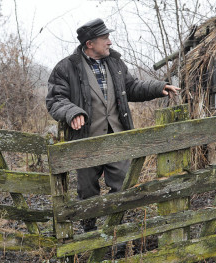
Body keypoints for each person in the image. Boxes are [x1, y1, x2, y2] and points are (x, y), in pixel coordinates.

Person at [46, 18, 179, 232]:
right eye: (105, 38)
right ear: (90, 44)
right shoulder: (66, 67)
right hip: (86, 141)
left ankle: (114, 230)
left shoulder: (115, 63)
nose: (109, 42)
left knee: (122, 186)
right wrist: (72, 112)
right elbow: (55, 99)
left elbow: (132, 86)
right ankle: (89, 232)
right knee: (88, 192)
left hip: (118, 138)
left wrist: (158, 87)